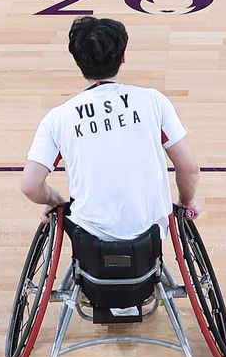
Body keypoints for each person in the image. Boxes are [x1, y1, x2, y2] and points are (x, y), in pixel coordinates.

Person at [20, 17, 202, 242]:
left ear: (78, 62)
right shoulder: (154, 101)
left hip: (88, 240)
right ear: (123, 57)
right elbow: (189, 168)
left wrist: (55, 200)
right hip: (150, 234)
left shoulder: (57, 118)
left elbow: (29, 185)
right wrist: (187, 201)